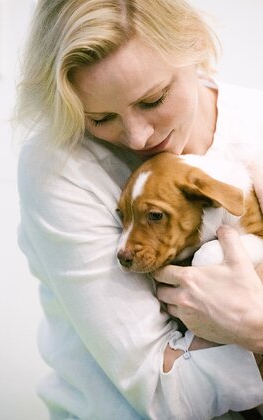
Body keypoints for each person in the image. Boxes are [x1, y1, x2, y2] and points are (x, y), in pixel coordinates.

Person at [15, 0, 263, 419]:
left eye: (154, 100)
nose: (137, 137)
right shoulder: (61, 164)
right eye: (100, 118)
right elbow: (162, 394)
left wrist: (256, 324)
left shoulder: (254, 122)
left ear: (195, 48)